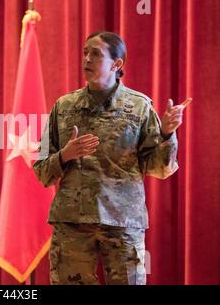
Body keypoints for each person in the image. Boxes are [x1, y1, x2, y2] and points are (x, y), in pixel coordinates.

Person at [33, 31, 192, 285]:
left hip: (123, 221)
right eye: (85, 52)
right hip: (73, 222)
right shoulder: (63, 107)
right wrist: (65, 155)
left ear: (117, 64)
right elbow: (41, 168)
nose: (87, 58)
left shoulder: (140, 107)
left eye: (95, 53)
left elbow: (159, 168)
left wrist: (166, 132)